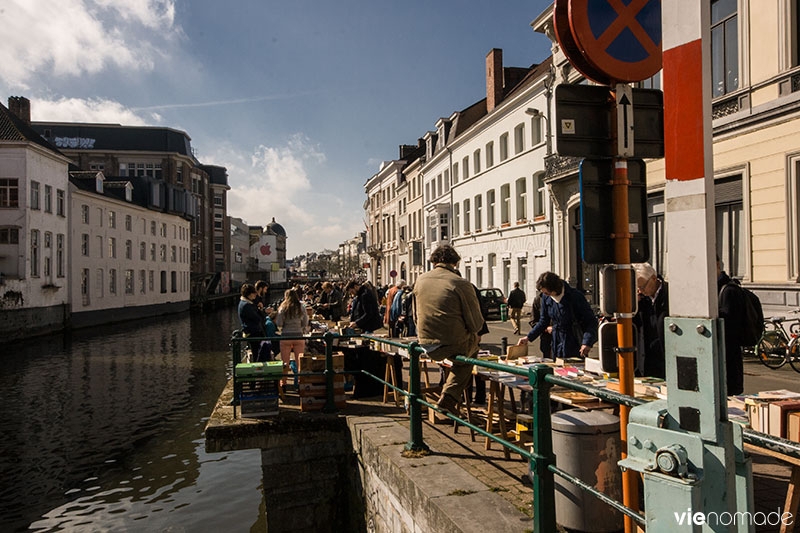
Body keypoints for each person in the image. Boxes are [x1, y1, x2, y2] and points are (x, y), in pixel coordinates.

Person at [414, 245, 485, 417]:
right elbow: (476, 324)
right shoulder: (460, 283)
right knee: (469, 355)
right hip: (452, 344)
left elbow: (415, 315)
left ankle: (449, 396)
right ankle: (450, 396)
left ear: (434, 261)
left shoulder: (420, 280)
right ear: (455, 262)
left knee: (460, 357)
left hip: (425, 343)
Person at [518, 272, 597, 359]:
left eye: (547, 293)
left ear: (554, 289)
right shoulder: (546, 298)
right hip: (556, 341)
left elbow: (591, 321)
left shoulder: (576, 297)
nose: (544, 295)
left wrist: (587, 342)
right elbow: (543, 321)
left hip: (574, 341)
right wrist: (528, 337)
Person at [633, 263, 668, 378]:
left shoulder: (669, 294)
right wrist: (634, 305)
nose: (640, 291)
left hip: (665, 358)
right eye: (637, 288)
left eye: (642, 287)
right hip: (647, 360)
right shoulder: (641, 300)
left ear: (654, 278)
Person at [718, 258, 745, 395]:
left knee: (729, 394)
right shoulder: (717, 288)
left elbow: (730, 326)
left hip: (728, 356)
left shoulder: (728, 290)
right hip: (723, 355)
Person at [276, 289, 310, 378]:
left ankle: (283, 382)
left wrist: (284, 326)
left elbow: (279, 323)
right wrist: (301, 327)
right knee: (299, 361)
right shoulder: (301, 307)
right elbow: (305, 322)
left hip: (286, 336)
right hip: (298, 335)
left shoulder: (283, 308)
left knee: (285, 362)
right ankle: (300, 381)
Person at [238, 283, 266, 361]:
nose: (255, 295)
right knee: (257, 352)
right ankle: (258, 368)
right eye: (254, 293)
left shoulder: (245, 303)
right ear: (249, 294)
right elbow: (257, 318)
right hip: (253, 332)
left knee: (257, 351)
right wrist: (260, 310)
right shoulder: (246, 305)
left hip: (252, 331)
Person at [531, 290, 552, 359]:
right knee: (547, 358)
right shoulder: (538, 299)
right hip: (546, 337)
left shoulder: (557, 298)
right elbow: (533, 321)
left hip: (560, 338)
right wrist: (544, 329)